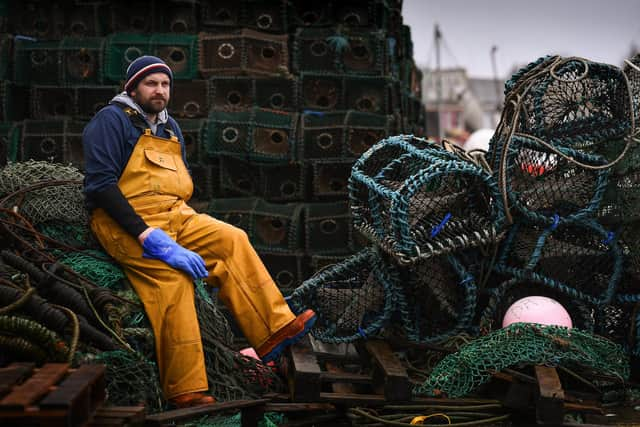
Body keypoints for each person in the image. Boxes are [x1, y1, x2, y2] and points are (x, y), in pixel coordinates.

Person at [82, 56, 316, 408]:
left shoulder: (170, 127)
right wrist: (146, 236)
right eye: (151, 83)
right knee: (173, 281)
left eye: (165, 84)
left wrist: (182, 226)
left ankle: (274, 330)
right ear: (132, 88)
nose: (159, 90)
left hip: (177, 215)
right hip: (124, 223)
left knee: (232, 239)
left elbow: (177, 185)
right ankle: (185, 389)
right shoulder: (111, 121)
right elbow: (100, 185)